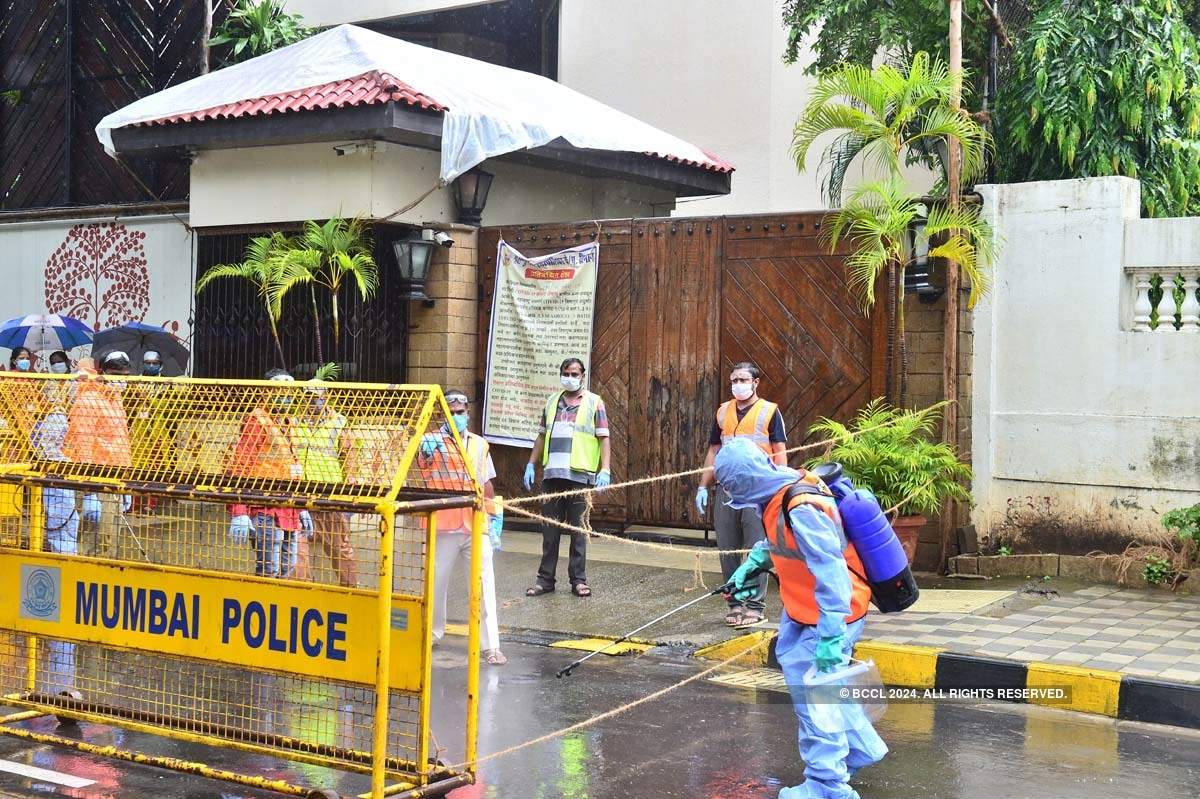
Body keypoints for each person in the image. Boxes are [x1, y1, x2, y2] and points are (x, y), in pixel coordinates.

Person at [717, 438, 886, 799]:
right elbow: (785, 543)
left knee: (817, 705)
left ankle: (828, 788)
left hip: (829, 615)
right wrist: (755, 563)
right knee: (823, 695)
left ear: (747, 480)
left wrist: (830, 635)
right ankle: (858, 750)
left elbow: (831, 571)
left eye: (735, 488)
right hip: (802, 610)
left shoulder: (801, 505)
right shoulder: (778, 494)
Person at [696, 362, 788, 627]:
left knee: (756, 548)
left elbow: (779, 450)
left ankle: (755, 606)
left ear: (756, 382)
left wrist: (779, 488)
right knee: (728, 548)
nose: (738, 384)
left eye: (743, 379)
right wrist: (703, 485)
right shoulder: (723, 411)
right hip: (727, 489)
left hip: (759, 492)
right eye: (734, 379)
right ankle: (734, 603)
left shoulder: (769, 411)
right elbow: (714, 450)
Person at [418, 390, 506, 665]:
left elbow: (487, 484)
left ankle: (490, 645)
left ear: (468, 412)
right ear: (443, 414)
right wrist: (426, 449)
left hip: (474, 524)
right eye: (451, 412)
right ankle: (430, 635)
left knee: (483, 585)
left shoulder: (480, 444)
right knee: (435, 584)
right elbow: (423, 465)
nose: (457, 416)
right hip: (442, 524)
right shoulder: (429, 441)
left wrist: (494, 519)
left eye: (461, 411)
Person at [522, 358, 611, 598]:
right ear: (560, 374)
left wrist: (606, 468)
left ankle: (578, 580)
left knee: (578, 531)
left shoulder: (594, 403)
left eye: (574, 373)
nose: (570, 377)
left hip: (579, 476)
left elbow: (604, 437)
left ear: (582, 375)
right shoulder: (552, 402)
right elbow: (541, 436)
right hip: (552, 474)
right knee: (549, 531)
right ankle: (545, 580)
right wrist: (531, 463)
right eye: (566, 373)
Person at [225, 368, 303, 579]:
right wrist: (239, 511)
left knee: (288, 568)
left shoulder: (289, 422)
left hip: (289, 507)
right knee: (269, 569)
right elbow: (240, 466)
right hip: (265, 508)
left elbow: (294, 463)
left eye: (288, 392)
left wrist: (303, 506)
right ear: (265, 392)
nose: (285, 396)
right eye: (279, 391)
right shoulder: (257, 421)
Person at [64, 352, 133, 558]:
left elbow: (120, 439)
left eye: (125, 375)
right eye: (116, 374)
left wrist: (126, 479)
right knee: (91, 538)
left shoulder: (115, 398)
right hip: (95, 478)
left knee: (110, 538)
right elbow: (82, 443)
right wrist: (88, 489)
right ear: (102, 372)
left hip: (116, 476)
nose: (122, 380)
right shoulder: (89, 400)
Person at [290, 383, 356, 587]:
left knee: (340, 550)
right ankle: (301, 593)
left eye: (316, 396)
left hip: (330, 496)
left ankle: (351, 592)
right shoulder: (293, 422)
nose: (312, 400)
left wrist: (350, 494)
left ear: (326, 397)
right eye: (308, 396)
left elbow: (350, 457)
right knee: (297, 552)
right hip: (301, 498)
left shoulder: (339, 422)